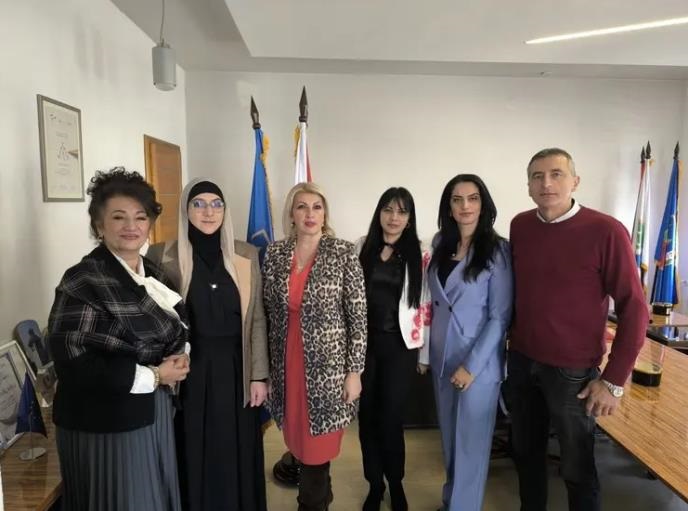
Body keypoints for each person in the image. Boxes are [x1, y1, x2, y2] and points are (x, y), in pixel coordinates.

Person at [507, 148, 648, 511]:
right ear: (528, 185)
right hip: (521, 361)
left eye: (556, 174)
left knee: (577, 467)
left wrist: (613, 381)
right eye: (537, 176)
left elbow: (635, 308)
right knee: (525, 455)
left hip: (573, 373)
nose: (546, 183)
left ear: (575, 181)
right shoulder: (520, 226)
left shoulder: (606, 231)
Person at [47, 168, 190, 511]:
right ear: (99, 225)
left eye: (140, 217)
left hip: (152, 412)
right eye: (118, 217)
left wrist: (180, 355)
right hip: (106, 422)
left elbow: (177, 324)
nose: (131, 226)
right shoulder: (82, 280)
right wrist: (155, 375)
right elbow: (73, 362)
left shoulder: (153, 272)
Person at [147, 177, 269, 511]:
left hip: (236, 370)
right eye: (198, 204)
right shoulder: (162, 255)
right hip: (190, 371)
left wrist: (259, 375)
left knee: (235, 447)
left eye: (216, 204)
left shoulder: (246, 254)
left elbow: (257, 319)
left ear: (225, 210)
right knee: (193, 446)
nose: (208, 212)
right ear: (185, 209)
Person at [262, 182, 367, 511]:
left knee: (317, 448)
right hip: (287, 363)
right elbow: (267, 314)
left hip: (328, 370)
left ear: (325, 214)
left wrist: (354, 372)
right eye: (302, 206)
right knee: (299, 441)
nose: (310, 213)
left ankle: (312, 504)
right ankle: (322, 493)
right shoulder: (275, 253)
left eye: (317, 207)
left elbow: (358, 316)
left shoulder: (343, 252)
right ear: (291, 214)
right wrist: (265, 370)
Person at [422, 174, 513, 511]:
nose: (465, 206)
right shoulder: (440, 243)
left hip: (478, 364)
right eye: (457, 199)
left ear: (483, 204)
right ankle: (451, 502)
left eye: (473, 198)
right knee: (449, 441)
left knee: (471, 446)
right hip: (441, 358)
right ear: (448, 206)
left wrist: (471, 366)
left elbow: (500, 317)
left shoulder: (498, 250)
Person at [355, 187, 431, 511]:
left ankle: (396, 482)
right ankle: (375, 484)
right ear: (379, 213)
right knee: (367, 417)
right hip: (364, 347)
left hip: (400, 348)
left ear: (409, 219)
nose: (394, 217)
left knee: (391, 418)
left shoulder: (420, 254)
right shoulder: (361, 247)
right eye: (388, 209)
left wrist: (424, 355)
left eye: (401, 211)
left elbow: (425, 306)